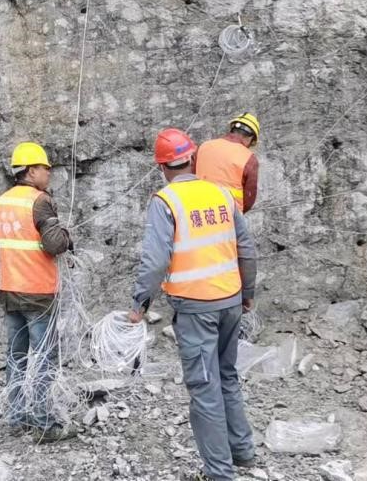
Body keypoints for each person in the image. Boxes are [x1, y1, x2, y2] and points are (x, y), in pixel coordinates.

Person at [130, 128, 258, 481]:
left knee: (204, 388)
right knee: (227, 375)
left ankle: (219, 473)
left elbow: (155, 261)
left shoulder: (165, 201)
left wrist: (140, 303)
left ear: (162, 166)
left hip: (196, 308)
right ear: (193, 158)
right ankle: (243, 451)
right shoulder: (220, 193)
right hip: (230, 301)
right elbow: (246, 248)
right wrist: (247, 293)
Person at [0, 141, 76, 442]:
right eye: (45, 168)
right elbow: (54, 244)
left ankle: (16, 419)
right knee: (44, 358)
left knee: (16, 357)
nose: (49, 173)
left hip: (10, 291)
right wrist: (66, 236)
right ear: (30, 171)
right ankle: (44, 424)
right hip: (38, 293)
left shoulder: (1, 202)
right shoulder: (39, 201)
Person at [194, 114, 261, 212]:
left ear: (232, 129)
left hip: (197, 209)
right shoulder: (249, 158)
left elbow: (189, 176)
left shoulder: (204, 146)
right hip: (228, 214)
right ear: (251, 138)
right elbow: (249, 198)